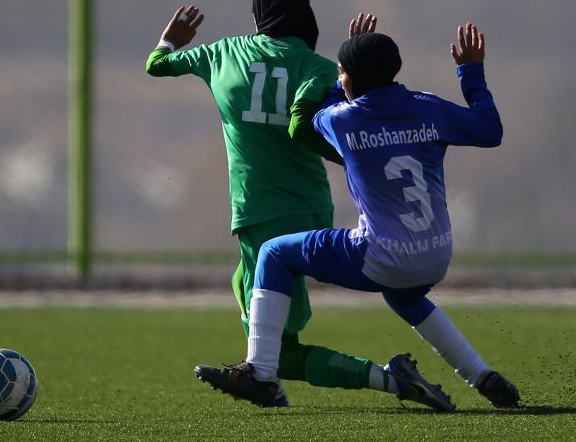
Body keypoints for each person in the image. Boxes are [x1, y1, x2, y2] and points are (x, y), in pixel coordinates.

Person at [146, 0, 444, 408]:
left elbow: (155, 66)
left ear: (258, 16)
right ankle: (269, 382)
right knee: (253, 301)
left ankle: (389, 380)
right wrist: (357, 59)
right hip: (311, 207)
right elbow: (356, 116)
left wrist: (170, 41)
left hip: (258, 209)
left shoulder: (223, 53)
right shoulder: (319, 68)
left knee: (277, 349)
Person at [197, 23, 521, 411]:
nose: (338, 77)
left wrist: (336, 79)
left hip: (381, 254)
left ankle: (261, 373)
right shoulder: (430, 108)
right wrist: (470, 72)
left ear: (354, 78)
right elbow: (490, 130)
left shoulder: (342, 120)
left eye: (341, 71)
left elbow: (306, 116)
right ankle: (482, 375)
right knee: (405, 297)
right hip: (435, 254)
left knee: (274, 253)